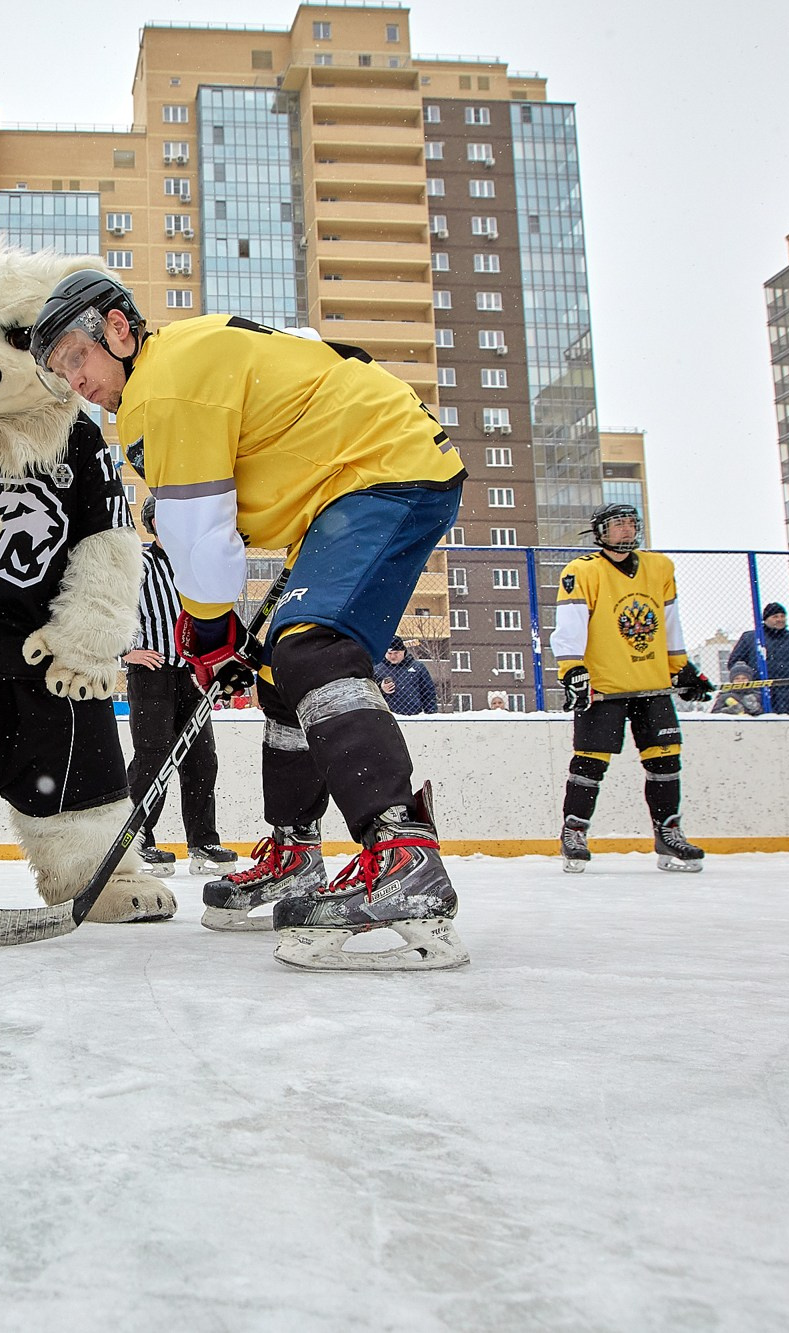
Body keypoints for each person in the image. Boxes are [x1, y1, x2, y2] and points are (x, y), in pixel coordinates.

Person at [33, 270, 470, 971]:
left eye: (76, 358)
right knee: (278, 668)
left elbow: (204, 541)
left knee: (312, 649)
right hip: (347, 485)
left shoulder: (163, 385)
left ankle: (403, 857)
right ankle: (296, 851)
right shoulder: (183, 362)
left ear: (118, 328)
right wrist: (226, 633)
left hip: (381, 471)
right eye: (61, 373)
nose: (76, 382)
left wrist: (210, 635)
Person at [549, 502, 712, 875]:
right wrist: (573, 669)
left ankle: (668, 832)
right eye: (617, 524)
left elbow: (669, 621)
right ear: (600, 532)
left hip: (652, 686)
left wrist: (682, 669)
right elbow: (570, 624)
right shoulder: (583, 571)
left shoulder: (660, 568)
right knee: (590, 764)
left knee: (666, 761)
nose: (625, 529)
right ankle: (574, 832)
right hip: (604, 688)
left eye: (630, 523)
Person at [121, 497, 236, 880]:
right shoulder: (136, 563)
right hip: (152, 675)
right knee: (152, 757)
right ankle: (138, 839)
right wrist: (127, 651)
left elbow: (215, 615)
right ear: (154, 525)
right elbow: (112, 608)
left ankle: (203, 841)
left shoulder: (195, 565)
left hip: (192, 675)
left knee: (202, 758)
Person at [728, 602, 789, 714]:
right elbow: (735, 664)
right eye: (775, 616)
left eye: (782, 616)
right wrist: (748, 681)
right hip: (759, 693)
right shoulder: (751, 638)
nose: (779, 619)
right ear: (766, 619)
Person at [374, 637, 438, 716]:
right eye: (389, 653)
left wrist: (431, 715)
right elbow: (368, 693)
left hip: (413, 716)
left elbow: (428, 693)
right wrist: (381, 689)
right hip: (385, 716)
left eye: (396, 653)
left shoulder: (418, 668)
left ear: (403, 651)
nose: (393, 657)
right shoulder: (377, 669)